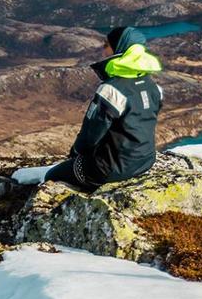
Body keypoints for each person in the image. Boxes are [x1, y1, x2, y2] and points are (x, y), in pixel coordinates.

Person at [42, 25, 163, 192]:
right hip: (145, 162)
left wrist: (76, 152)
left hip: (109, 170)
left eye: (106, 44)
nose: (103, 48)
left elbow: (91, 134)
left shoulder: (111, 89)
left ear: (121, 48)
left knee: (51, 177)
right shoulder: (152, 85)